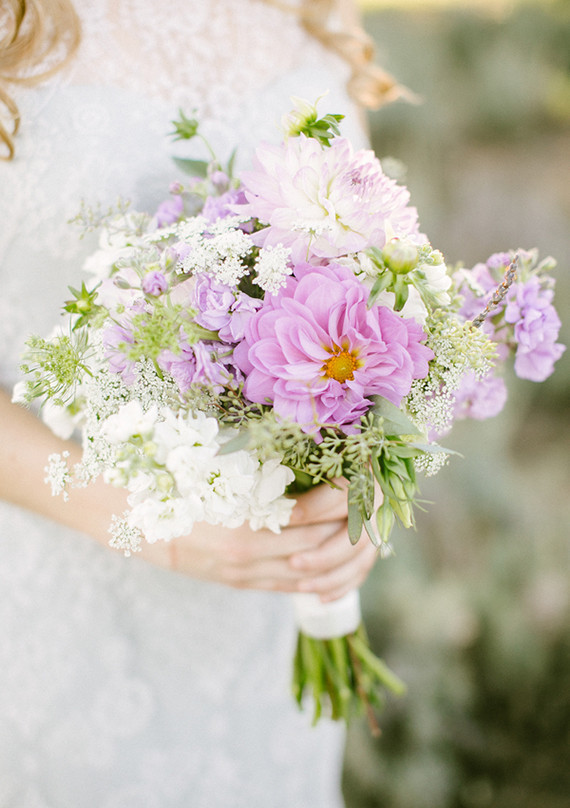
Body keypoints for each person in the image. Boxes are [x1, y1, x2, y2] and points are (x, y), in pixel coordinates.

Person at [0, 2, 398, 805]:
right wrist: (162, 529)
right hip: (56, 609)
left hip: (261, 624)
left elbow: (366, 281)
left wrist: (361, 480)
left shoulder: (315, 13)